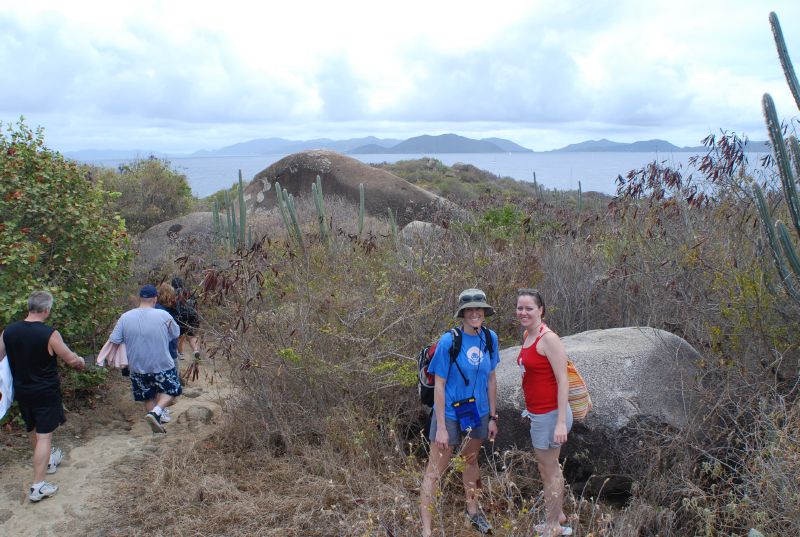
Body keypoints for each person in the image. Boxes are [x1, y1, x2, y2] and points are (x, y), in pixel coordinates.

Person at [420, 288, 500, 537]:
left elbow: (491, 378)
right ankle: (427, 530)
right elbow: (440, 385)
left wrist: (493, 417)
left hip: (478, 412)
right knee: (435, 471)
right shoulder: (449, 341)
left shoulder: (490, 338)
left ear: (484, 312)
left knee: (471, 461)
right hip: (450, 415)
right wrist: (441, 426)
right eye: (470, 309)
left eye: (479, 309)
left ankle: (473, 512)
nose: (475, 313)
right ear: (463, 313)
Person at [0, 291, 86, 503]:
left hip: (22, 390)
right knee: (45, 436)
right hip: (45, 391)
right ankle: (38, 485)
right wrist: (80, 361)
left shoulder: (8, 332)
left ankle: (46, 463)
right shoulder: (49, 334)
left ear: (29, 307)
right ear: (46, 310)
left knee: (33, 429)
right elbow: (70, 359)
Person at [516, 289, 573, 537]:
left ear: (541, 310)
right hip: (539, 414)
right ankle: (557, 514)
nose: (523, 312)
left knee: (550, 469)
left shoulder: (548, 338)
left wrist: (560, 422)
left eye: (529, 308)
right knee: (546, 466)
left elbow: (563, 380)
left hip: (552, 415)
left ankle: (554, 526)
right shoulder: (528, 335)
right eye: (520, 308)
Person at [109, 284, 181, 434]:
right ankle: (156, 412)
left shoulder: (125, 317)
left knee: (148, 396)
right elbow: (175, 333)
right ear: (155, 299)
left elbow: (115, 339)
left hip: (136, 366)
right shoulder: (163, 315)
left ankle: (156, 427)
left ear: (140, 298)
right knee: (172, 390)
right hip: (161, 363)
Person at [155, 282, 180, 423]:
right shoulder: (164, 313)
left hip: (160, 352)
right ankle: (160, 411)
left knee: (161, 383)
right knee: (168, 384)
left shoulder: (157, 309)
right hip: (167, 352)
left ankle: (159, 409)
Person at [171, 277, 201, 361]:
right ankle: (195, 350)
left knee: (180, 336)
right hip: (193, 315)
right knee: (192, 336)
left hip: (181, 317)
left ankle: (180, 354)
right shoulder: (189, 292)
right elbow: (195, 304)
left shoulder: (173, 294)